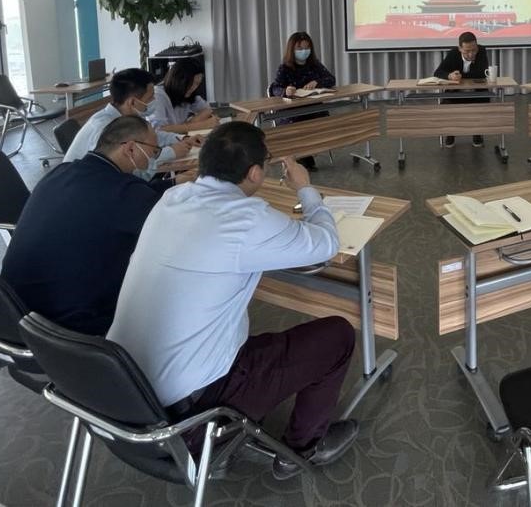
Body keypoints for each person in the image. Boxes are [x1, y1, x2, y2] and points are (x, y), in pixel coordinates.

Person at [108, 122, 357, 479]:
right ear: (255, 173)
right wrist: (305, 188)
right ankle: (304, 448)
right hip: (187, 419)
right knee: (337, 336)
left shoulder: (171, 199)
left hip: (122, 394)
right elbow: (326, 244)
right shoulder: (248, 218)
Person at [1, 115, 162, 335]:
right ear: (131, 149)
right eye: (154, 151)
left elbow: (128, 198)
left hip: (16, 310)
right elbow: (169, 229)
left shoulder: (61, 172)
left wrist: (170, 184)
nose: (152, 158)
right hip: (71, 326)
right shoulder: (125, 192)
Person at [63, 68, 201, 179]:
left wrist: (183, 139)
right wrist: (171, 152)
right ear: (133, 102)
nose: (154, 100)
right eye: (150, 97)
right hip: (84, 187)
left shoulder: (128, 117)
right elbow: (127, 167)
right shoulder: (103, 127)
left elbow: (152, 136)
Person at [268, 32, 338, 171]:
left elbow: (331, 79)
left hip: (312, 106)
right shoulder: (284, 68)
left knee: (321, 119)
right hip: (291, 111)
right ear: (292, 49)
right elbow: (274, 88)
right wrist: (286, 91)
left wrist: (317, 82)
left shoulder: (315, 65)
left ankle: (308, 153)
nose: (304, 51)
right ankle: (303, 157)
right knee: (300, 124)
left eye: (307, 48)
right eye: (300, 48)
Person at [433, 30, 491, 148]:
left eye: (474, 50)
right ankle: (451, 133)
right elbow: (438, 72)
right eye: (467, 51)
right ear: (460, 48)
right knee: (448, 105)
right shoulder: (453, 53)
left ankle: (477, 133)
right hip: (456, 92)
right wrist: (449, 76)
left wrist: (460, 75)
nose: (471, 54)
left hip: (477, 92)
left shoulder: (481, 51)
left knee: (482, 102)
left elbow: (481, 73)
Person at [147, 57, 217, 133]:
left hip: (179, 138)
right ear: (179, 80)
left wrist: (190, 123)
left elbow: (207, 110)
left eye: (197, 84)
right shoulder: (157, 96)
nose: (193, 88)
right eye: (190, 83)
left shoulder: (188, 94)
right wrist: (201, 125)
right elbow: (158, 130)